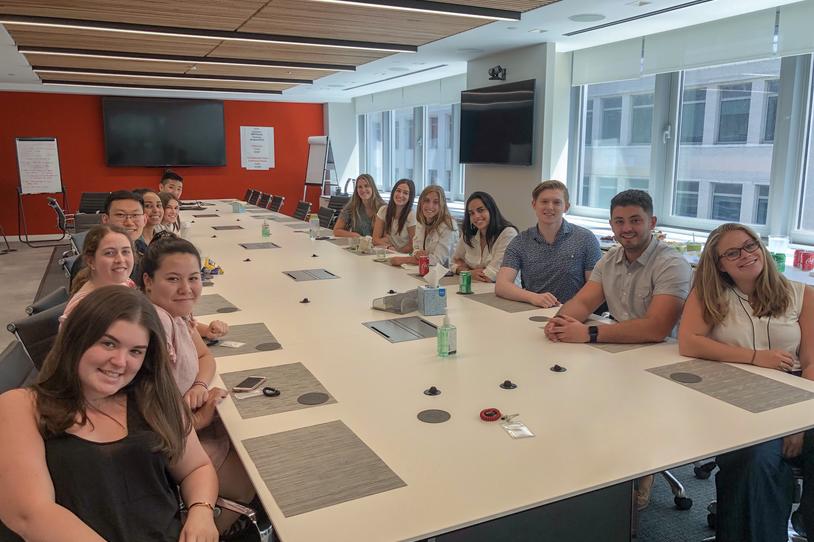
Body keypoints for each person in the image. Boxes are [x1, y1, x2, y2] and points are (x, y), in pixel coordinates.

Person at [0, 286, 219, 542]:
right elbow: (30, 515)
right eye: (108, 343)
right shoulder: (22, 407)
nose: (120, 361)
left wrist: (201, 512)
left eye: (135, 351)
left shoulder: (153, 398)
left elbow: (197, 467)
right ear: (76, 339)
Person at [678, 222, 814, 542]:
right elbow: (689, 342)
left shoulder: (802, 294)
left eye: (750, 245)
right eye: (733, 252)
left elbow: (811, 362)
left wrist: (797, 423)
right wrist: (754, 357)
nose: (746, 255)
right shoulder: (711, 295)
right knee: (755, 462)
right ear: (720, 264)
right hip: (739, 399)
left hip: (798, 397)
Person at [140, 235, 255, 534]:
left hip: (184, 421)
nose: (186, 288)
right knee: (251, 477)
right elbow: (144, 410)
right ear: (148, 281)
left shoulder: (177, 314)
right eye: (173, 279)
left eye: (193, 278)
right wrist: (196, 421)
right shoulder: (155, 326)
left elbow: (206, 356)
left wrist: (199, 386)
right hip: (170, 437)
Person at [496, 180, 601, 307]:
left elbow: (595, 288)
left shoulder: (585, 239)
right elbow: (502, 286)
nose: (550, 207)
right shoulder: (521, 241)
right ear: (534, 205)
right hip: (532, 311)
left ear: (566, 207)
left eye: (557, 202)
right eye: (544, 202)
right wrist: (533, 297)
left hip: (574, 315)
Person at [63, 225, 136, 322]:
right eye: (109, 253)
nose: (120, 260)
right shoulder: (85, 309)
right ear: (91, 261)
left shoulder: (125, 282)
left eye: (125, 251)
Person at [451, 191, 518, 282]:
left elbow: (492, 275)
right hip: (475, 288)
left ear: (491, 210)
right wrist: (469, 272)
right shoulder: (469, 234)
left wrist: (464, 270)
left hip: (503, 292)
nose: (476, 216)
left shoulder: (508, 234)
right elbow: (452, 263)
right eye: (471, 213)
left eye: (480, 210)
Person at [389, 185, 458, 268]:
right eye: (427, 200)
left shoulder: (449, 226)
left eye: (435, 202)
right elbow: (416, 248)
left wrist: (406, 259)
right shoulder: (421, 220)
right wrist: (420, 254)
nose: (430, 206)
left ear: (441, 205)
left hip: (445, 275)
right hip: (424, 270)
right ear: (421, 202)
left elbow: (437, 260)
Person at [333, 174, 385, 238]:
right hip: (359, 245)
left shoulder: (383, 208)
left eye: (366, 186)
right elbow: (336, 231)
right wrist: (356, 236)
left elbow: (389, 236)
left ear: (373, 188)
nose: (363, 190)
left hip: (379, 246)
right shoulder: (352, 207)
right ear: (356, 190)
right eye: (360, 187)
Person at [372, 178, 416, 253]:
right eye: (398, 191)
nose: (400, 195)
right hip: (387, 252)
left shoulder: (411, 215)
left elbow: (412, 245)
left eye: (405, 193)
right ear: (393, 192)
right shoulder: (383, 210)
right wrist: (389, 247)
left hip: (403, 255)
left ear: (410, 197)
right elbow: (375, 239)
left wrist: (396, 252)